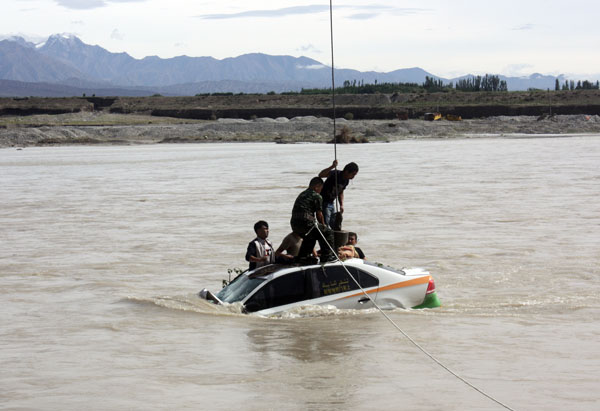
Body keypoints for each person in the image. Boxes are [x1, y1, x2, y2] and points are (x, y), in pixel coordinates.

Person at [290, 177, 336, 263]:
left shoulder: (302, 194)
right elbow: (319, 214)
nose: (320, 191)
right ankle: (327, 256)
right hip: (306, 223)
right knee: (328, 232)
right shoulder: (316, 196)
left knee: (310, 237)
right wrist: (323, 226)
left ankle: (303, 257)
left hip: (295, 225)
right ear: (317, 186)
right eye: (320, 189)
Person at [318, 160, 359, 228]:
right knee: (326, 224)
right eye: (353, 174)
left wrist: (341, 205)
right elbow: (321, 175)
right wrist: (332, 166)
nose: (353, 177)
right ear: (346, 171)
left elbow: (341, 192)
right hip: (323, 202)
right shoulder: (336, 174)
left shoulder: (346, 181)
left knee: (334, 224)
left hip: (331, 203)